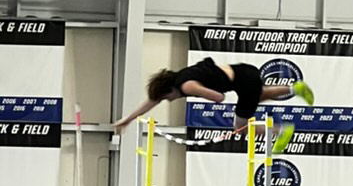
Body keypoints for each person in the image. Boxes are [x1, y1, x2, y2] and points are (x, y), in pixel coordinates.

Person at [112, 57, 314, 154]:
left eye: (167, 98)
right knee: (258, 96)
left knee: (240, 128)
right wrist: (126, 120)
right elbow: (150, 102)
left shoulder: (187, 85)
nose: (169, 100)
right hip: (244, 73)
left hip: (243, 81)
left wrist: (202, 93)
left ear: (170, 90)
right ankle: (296, 88)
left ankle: (282, 131)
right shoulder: (177, 79)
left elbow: (219, 98)